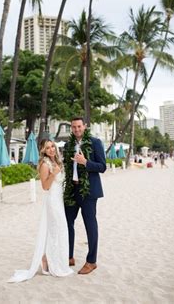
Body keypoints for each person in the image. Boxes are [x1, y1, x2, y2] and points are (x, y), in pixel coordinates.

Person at [8, 140, 73, 283]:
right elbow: (45, 186)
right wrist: (53, 174)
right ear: (43, 150)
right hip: (52, 201)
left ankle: (51, 259)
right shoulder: (45, 164)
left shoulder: (57, 161)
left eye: (52, 147)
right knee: (56, 231)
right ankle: (46, 260)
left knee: (59, 231)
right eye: (47, 148)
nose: (51, 150)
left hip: (60, 201)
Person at [63, 117, 106, 275]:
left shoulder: (95, 142)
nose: (76, 129)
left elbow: (102, 167)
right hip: (72, 190)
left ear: (85, 126)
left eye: (79, 126)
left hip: (88, 191)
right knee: (67, 222)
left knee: (90, 224)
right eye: (73, 127)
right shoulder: (68, 145)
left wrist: (85, 162)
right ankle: (69, 256)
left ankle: (91, 261)